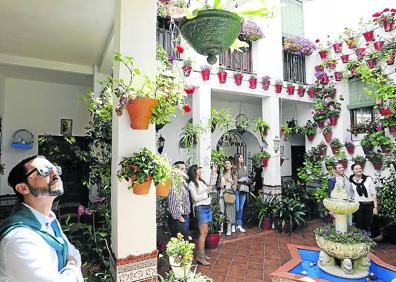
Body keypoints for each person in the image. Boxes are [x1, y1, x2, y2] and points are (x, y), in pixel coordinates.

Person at [0, 155, 83, 281]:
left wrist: (71, 266)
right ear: (23, 188)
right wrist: (72, 266)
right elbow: (73, 259)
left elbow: (74, 253)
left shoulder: (49, 219)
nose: (55, 173)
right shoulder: (18, 238)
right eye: (43, 170)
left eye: (55, 168)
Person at [187, 164, 217, 266]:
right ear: (194, 171)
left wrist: (213, 172)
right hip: (200, 208)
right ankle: (200, 257)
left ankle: (202, 254)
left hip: (207, 207)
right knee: (203, 233)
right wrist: (206, 194)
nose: (200, 170)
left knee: (205, 232)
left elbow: (211, 185)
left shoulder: (202, 181)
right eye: (198, 169)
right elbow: (195, 198)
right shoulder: (192, 184)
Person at [349, 163, 378, 231]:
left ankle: (368, 239)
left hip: (369, 205)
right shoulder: (350, 181)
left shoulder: (368, 179)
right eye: (356, 169)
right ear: (353, 171)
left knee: (368, 224)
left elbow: (373, 193)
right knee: (359, 224)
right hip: (358, 206)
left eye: (360, 168)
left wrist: (375, 207)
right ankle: (361, 240)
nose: (359, 170)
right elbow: (350, 195)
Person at [168, 161, 191, 238]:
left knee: (183, 243)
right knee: (180, 243)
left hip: (184, 216)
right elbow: (173, 201)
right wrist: (180, 218)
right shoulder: (174, 183)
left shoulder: (181, 182)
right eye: (182, 169)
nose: (184, 170)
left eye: (185, 168)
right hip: (178, 219)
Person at [219, 160, 237, 236]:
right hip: (222, 193)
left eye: (228, 163)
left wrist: (231, 182)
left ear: (231, 165)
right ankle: (221, 228)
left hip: (230, 193)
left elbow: (235, 188)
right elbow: (219, 185)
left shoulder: (234, 175)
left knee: (229, 211)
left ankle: (229, 229)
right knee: (221, 210)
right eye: (225, 163)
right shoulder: (221, 174)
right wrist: (222, 186)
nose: (226, 165)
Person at [234, 153, 249, 233]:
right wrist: (239, 180)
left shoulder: (245, 168)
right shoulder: (234, 168)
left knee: (241, 208)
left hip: (243, 189)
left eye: (242, 157)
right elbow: (233, 179)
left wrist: (246, 179)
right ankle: (234, 223)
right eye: (240, 157)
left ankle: (239, 224)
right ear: (237, 159)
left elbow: (247, 177)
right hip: (236, 189)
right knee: (236, 208)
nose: (242, 158)